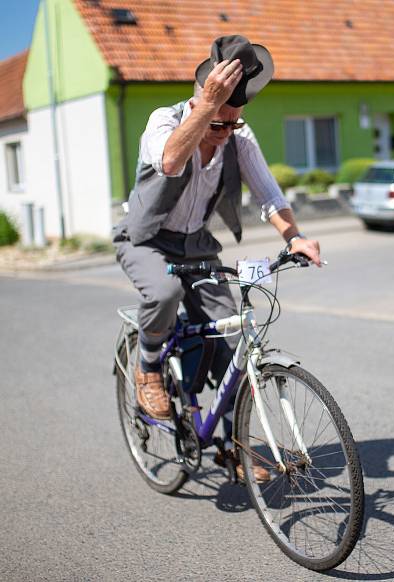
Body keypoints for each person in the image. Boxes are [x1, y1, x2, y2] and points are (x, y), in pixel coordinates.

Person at [113, 35, 320, 480]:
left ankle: (235, 448)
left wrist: (295, 236)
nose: (225, 132)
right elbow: (169, 162)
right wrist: (208, 107)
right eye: (217, 123)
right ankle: (148, 368)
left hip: (197, 246)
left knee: (234, 340)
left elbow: (268, 193)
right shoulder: (164, 122)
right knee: (164, 291)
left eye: (233, 123)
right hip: (145, 237)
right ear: (199, 99)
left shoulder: (237, 137)